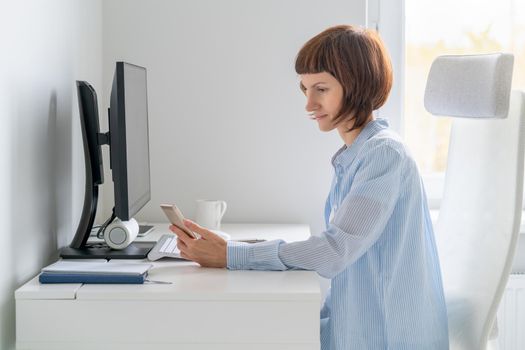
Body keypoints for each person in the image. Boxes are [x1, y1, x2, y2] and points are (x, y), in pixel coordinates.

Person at [171, 25, 449, 349]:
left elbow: (334, 251)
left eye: (321, 89)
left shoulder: (382, 155)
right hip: (354, 328)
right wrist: (235, 248)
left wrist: (233, 254)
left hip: (386, 337)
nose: (309, 104)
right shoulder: (356, 155)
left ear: (356, 85)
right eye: (304, 89)